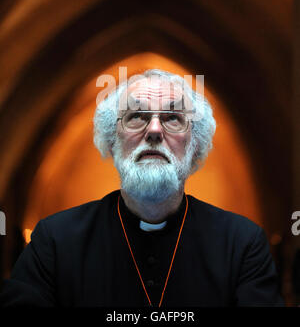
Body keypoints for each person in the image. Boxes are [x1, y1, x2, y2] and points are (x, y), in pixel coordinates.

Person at [0, 69, 284, 307]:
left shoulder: (242, 245)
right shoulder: (55, 242)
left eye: (173, 118)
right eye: (137, 116)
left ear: (194, 145)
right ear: (112, 141)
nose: (155, 130)